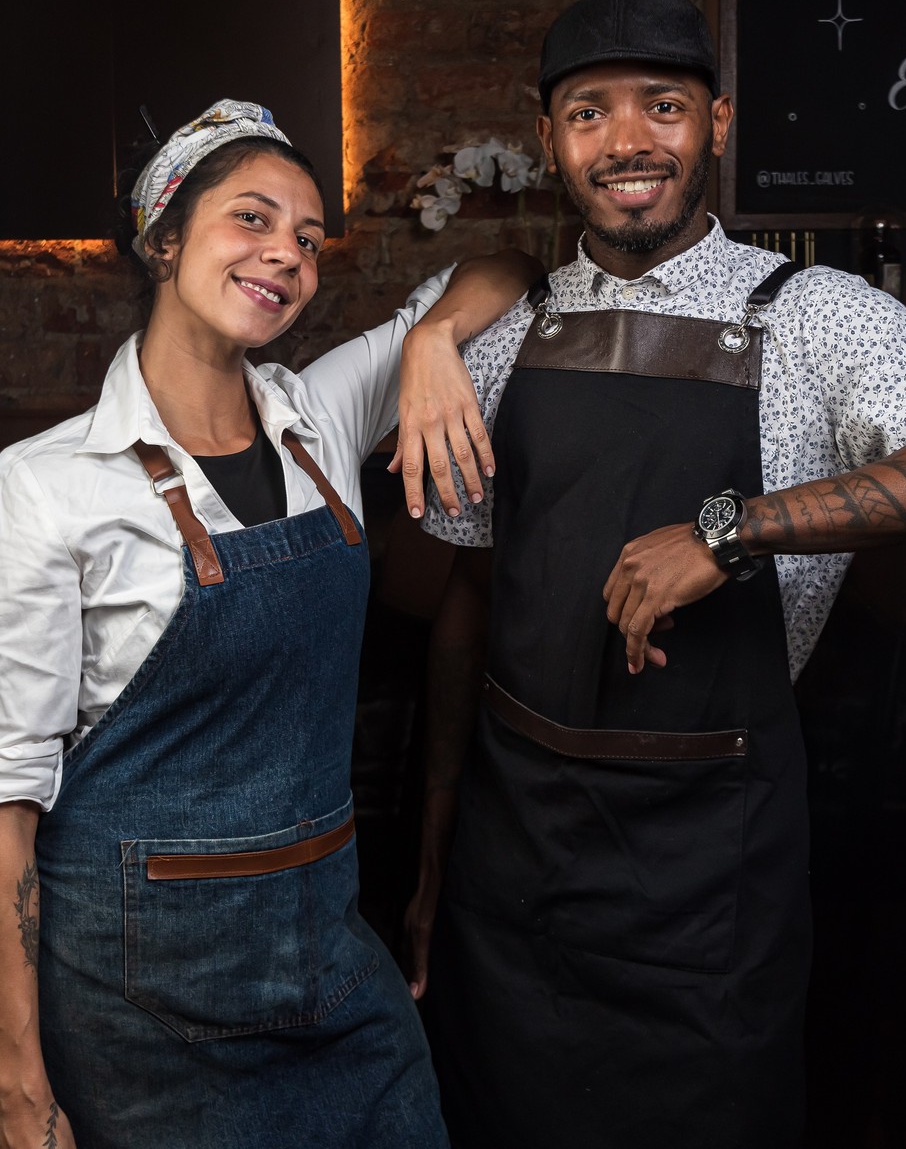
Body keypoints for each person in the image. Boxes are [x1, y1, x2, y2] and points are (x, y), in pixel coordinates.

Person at [403, 0, 906, 1149]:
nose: (627, 141)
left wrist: (733, 530)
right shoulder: (499, 329)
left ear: (716, 124)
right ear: (551, 140)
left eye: (661, 106)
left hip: (710, 881)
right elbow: (467, 605)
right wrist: (429, 864)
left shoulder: (814, 314)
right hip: (512, 872)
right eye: (588, 112)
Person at [0, 99, 540, 1149]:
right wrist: (19, 1084)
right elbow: (5, 805)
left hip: (331, 966)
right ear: (164, 238)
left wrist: (428, 338)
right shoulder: (43, 486)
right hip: (138, 1010)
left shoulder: (320, 418)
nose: (286, 255)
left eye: (306, 237)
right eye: (251, 219)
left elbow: (510, 269)